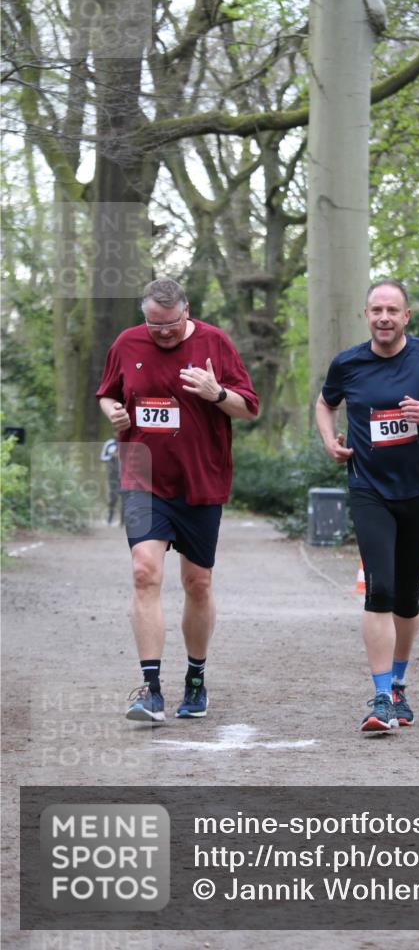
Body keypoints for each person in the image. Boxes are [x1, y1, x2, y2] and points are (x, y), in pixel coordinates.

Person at [97, 277, 258, 723]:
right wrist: (111, 409)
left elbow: (248, 406)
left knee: (197, 584)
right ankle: (150, 690)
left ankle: (195, 679)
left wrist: (217, 393)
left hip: (201, 480)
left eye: (171, 324)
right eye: (154, 325)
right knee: (144, 572)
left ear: (186, 310)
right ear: (143, 316)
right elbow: (108, 392)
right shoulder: (127, 343)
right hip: (143, 475)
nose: (163, 333)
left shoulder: (215, 343)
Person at [315, 279, 419, 733]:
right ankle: (381, 697)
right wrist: (330, 442)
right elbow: (325, 406)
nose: (384, 317)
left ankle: (398, 686)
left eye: (392, 310)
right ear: (366, 315)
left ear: (406, 317)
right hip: (369, 488)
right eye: (376, 310)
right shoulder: (348, 363)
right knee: (379, 590)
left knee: (408, 598)